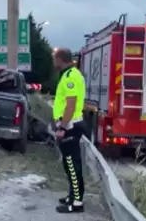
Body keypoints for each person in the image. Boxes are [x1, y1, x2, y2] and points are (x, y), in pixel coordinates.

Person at [52, 47, 86, 214]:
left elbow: (70, 105)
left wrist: (63, 127)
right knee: (69, 164)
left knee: (72, 165)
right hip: (69, 125)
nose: (53, 62)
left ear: (60, 59)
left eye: (54, 58)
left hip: (70, 126)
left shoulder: (70, 76)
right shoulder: (69, 74)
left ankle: (77, 203)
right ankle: (72, 196)